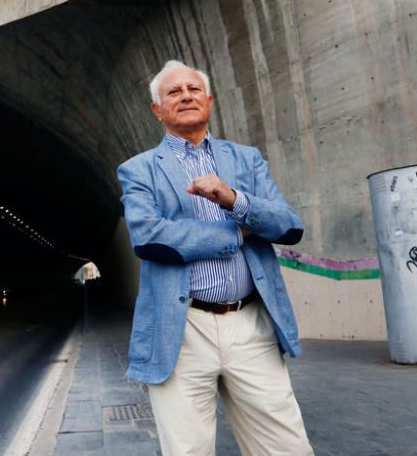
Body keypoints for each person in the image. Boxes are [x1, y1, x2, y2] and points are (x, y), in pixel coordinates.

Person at [117, 59, 313, 456]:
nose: (185, 96)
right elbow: (150, 238)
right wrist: (237, 232)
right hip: (182, 328)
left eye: (193, 89)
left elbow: (288, 226)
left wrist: (235, 200)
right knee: (187, 450)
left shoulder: (247, 160)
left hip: (252, 323)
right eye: (173, 92)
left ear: (209, 100)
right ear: (157, 110)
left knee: (286, 447)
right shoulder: (138, 170)